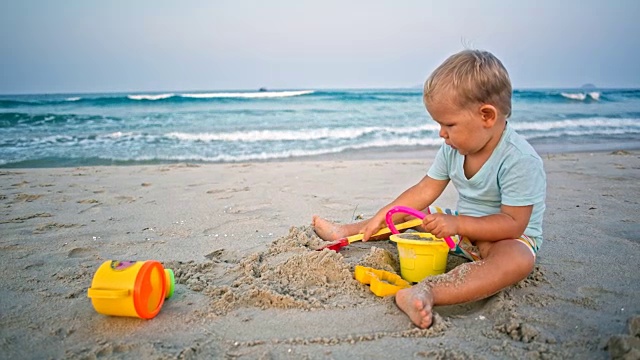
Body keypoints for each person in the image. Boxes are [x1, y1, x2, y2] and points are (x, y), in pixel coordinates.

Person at [312, 49, 546, 329]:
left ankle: (427, 292)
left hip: (507, 238)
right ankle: (347, 232)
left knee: (518, 261)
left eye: (449, 124)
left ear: (486, 116)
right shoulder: (453, 149)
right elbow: (424, 188)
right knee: (415, 213)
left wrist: (458, 223)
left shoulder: (519, 159)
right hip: (462, 231)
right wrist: (385, 213)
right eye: (439, 124)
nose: (441, 133)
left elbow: (513, 225)